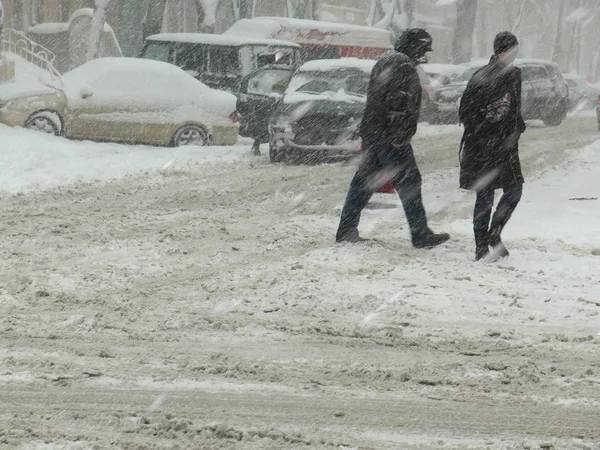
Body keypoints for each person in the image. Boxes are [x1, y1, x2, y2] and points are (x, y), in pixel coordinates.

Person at [335, 28, 450, 249]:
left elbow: (380, 100)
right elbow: (397, 103)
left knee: (363, 182)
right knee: (410, 182)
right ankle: (421, 235)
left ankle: (346, 230)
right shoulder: (403, 66)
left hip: (374, 134)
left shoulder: (386, 61)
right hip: (390, 138)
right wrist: (399, 136)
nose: (424, 56)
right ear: (414, 48)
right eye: (423, 50)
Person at [458, 31, 526, 261]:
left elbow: (512, 109)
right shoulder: (496, 76)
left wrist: (515, 126)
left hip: (497, 145)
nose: (516, 56)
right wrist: (490, 122)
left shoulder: (502, 74)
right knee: (493, 193)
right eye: (513, 51)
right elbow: (468, 112)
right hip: (490, 146)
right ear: (502, 52)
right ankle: (486, 241)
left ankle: (489, 238)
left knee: (504, 192)